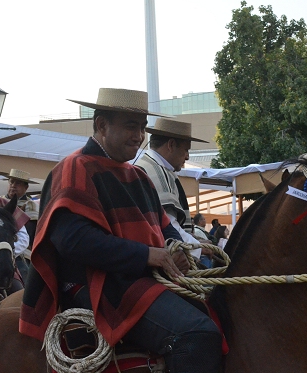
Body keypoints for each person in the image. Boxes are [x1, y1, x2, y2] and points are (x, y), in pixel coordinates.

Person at [19, 88, 222, 372]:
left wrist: (177, 251)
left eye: (141, 128)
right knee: (197, 334)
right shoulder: (74, 167)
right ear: (102, 125)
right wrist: (149, 255)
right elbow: (73, 241)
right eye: (130, 126)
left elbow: (166, 229)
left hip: (140, 280)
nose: (139, 136)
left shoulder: (139, 176)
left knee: (222, 310)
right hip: (97, 285)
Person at [135, 118, 213, 262]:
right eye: (186, 149)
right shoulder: (157, 173)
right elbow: (169, 225)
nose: (187, 156)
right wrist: (197, 247)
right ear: (171, 145)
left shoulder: (149, 166)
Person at [3, 168, 40, 282]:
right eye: (11, 182)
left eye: (18, 183)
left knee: (24, 274)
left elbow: (30, 232)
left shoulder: (30, 205)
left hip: (23, 251)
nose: (13, 186)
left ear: (26, 188)